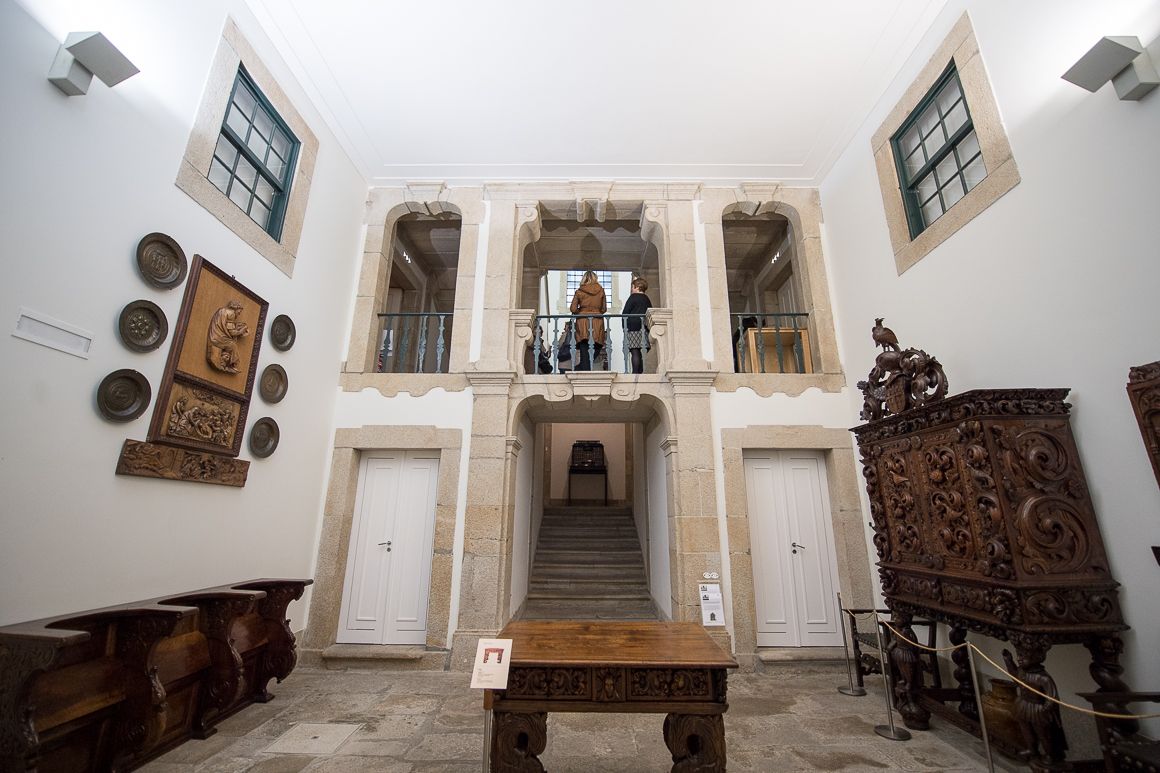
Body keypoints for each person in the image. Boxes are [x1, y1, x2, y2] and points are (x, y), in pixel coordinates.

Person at [569, 270, 606, 371]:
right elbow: (603, 309)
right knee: (597, 345)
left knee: (584, 345)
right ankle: (584, 367)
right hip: (597, 321)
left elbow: (573, 309)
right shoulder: (601, 291)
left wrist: (581, 311)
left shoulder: (579, 291)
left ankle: (583, 367)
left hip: (583, 321)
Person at [621, 276, 653, 374]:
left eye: (632, 287)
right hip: (643, 327)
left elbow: (625, 313)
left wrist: (624, 327)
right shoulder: (646, 299)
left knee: (634, 351)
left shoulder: (633, 297)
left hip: (632, 327)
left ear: (637, 287)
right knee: (641, 351)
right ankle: (640, 371)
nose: (632, 289)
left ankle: (635, 372)